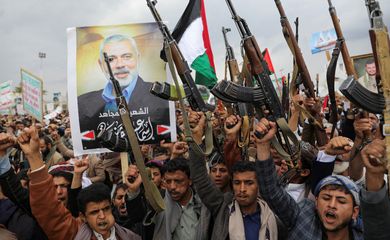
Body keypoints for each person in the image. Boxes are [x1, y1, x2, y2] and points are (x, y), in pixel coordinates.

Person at [17, 126, 141, 240]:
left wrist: (134, 191)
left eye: (106, 209)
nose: (102, 216)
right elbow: (48, 210)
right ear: (82, 217)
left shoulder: (129, 236)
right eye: (94, 212)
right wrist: (33, 157)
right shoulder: (74, 234)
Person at [254, 118, 363, 240]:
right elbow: (271, 191)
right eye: (326, 198)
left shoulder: (367, 232)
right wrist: (263, 145)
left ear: (355, 212)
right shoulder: (302, 217)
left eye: (341, 201)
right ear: (316, 203)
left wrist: (359, 141)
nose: (332, 205)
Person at [77, 34, 171, 150]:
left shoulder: (161, 96)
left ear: (138, 59)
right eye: (110, 59)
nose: (120, 65)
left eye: (126, 56)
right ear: (101, 65)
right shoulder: (83, 104)